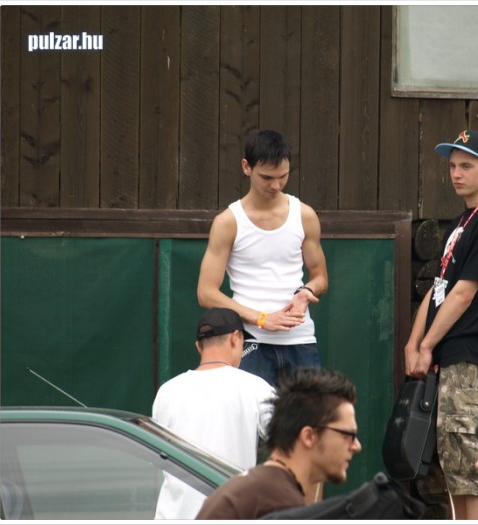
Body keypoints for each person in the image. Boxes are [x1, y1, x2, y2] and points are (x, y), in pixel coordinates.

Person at [404, 129, 478, 519]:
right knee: (454, 464)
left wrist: (426, 345)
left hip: (470, 356)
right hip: (447, 358)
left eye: (467, 166)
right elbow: (440, 288)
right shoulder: (461, 221)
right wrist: (413, 342)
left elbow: (464, 293)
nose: (456, 174)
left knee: (472, 461)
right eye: (452, 166)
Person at [197, 129, 328, 388]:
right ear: (246, 167)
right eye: (267, 177)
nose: (276, 185)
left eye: (283, 176)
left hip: (300, 340)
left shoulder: (304, 215)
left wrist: (306, 292)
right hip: (250, 342)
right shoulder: (228, 222)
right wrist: (261, 319)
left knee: (310, 413)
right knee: (251, 415)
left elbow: (320, 277)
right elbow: (206, 293)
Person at [152, 307, 275, 519]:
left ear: (198, 346)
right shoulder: (256, 388)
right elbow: (292, 443)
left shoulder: (166, 392)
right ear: (235, 338)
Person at [195, 366, 362, 519]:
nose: (356, 446)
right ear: (309, 436)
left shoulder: (258, 490)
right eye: (348, 435)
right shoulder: (279, 505)